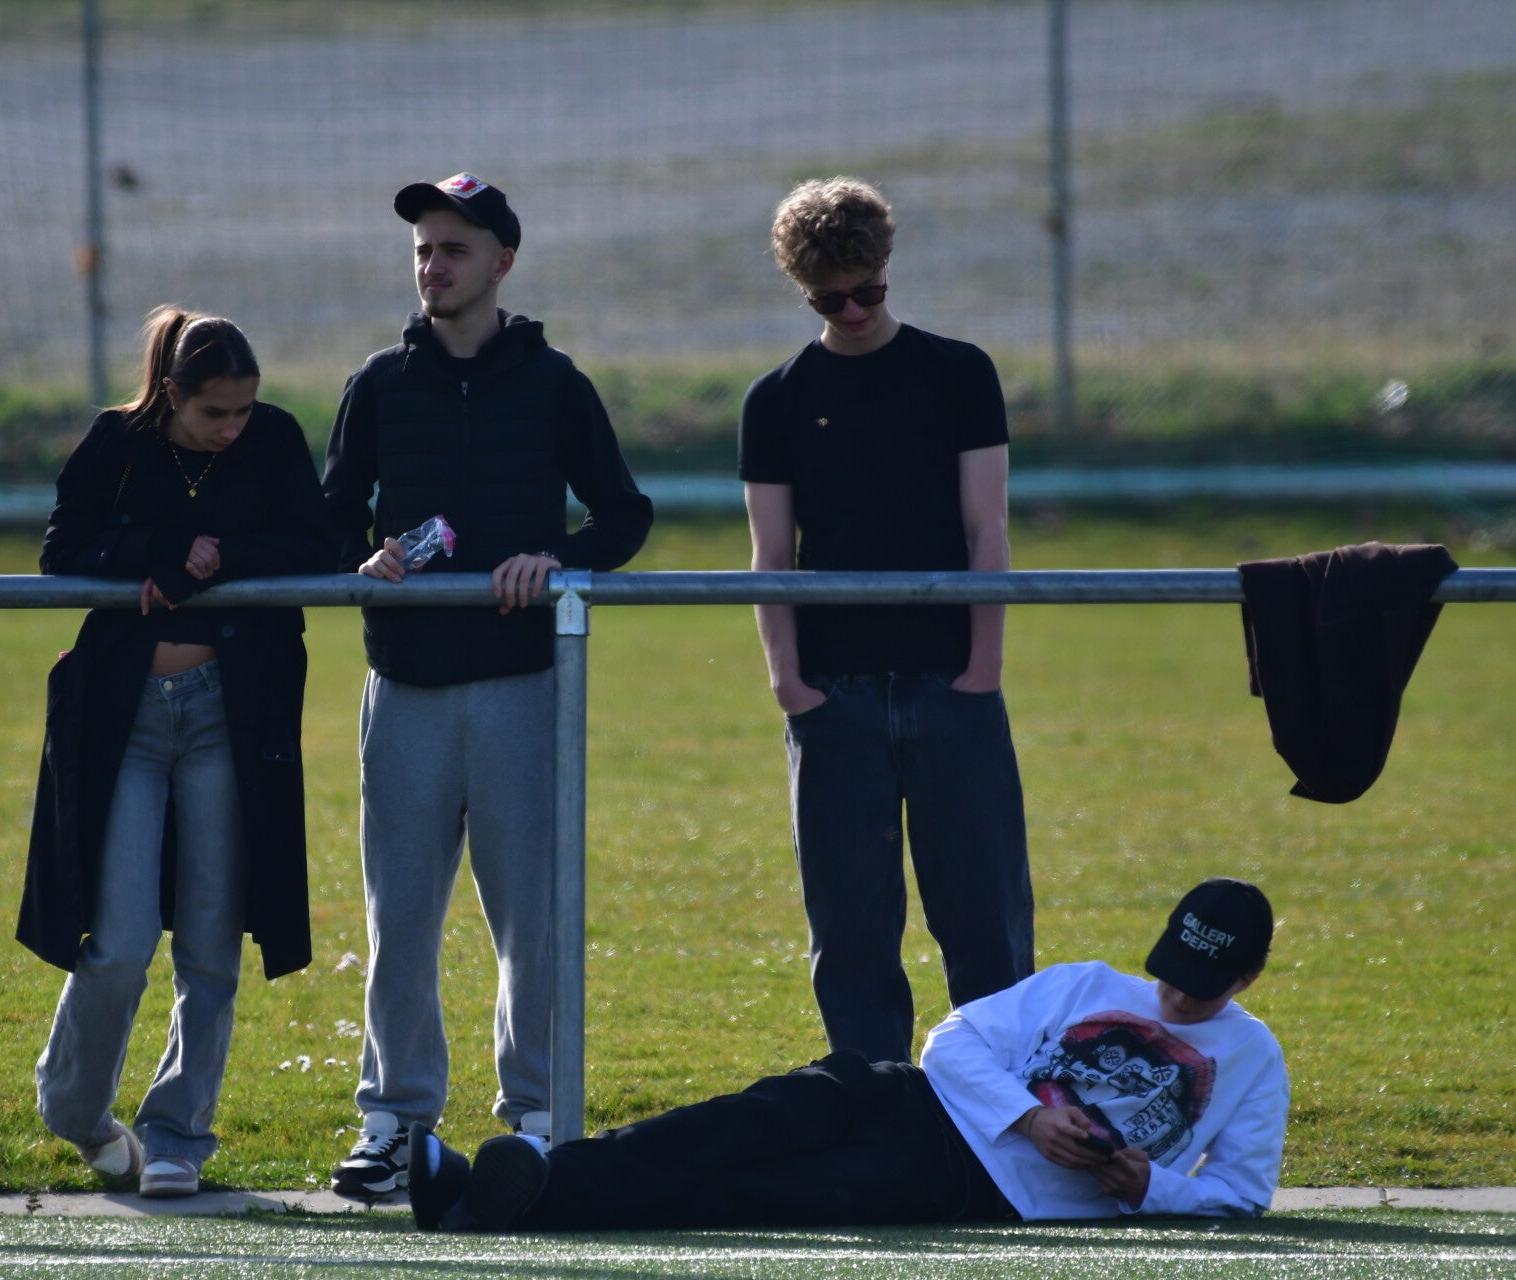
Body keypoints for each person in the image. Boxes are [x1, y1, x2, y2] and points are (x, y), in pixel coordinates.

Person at [320, 173, 654, 1197]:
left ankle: (539, 1123)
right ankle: (392, 1122)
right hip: (406, 688)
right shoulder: (379, 382)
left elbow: (624, 515)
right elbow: (328, 517)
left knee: (531, 923)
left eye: (454, 248)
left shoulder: (554, 384)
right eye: (423, 249)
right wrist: (364, 558)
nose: (434, 266)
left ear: (502, 261)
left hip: (520, 687)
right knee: (399, 924)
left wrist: (558, 560)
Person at [408, 878, 1287, 1232]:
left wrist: (1148, 1186)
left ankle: (495, 1198)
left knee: (750, 1195)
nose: (1176, 998)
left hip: (978, 1187)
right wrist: (1029, 1116)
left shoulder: (1255, 1062)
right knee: (728, 1127)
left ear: (1247, 979)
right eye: (1171, 973)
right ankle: (530, 1180)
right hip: (911, 1096)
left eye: (1201, 989)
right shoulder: (1086, 982)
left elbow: (1241, 1195)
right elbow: (953, 1041)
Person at [16, 307, 333, 1198]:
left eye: (244, 410)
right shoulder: (116, 441)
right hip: (127, 721)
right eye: (213, 413)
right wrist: (156, 550)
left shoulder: (273, 440)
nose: (233, 429)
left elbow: (317, 544)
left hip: (228, 716)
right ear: (170, 395)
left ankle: (177, 1135)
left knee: (209, 946)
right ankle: (76, 1110)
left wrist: (214, 560)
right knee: (116, 944)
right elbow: (62, 550)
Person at [739, 176, 1034, 1065]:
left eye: (868, 290)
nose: (855, 311)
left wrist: (983, 668)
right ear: (803, 291)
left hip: (953, 686)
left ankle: (997, 1108)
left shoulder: (959, 373)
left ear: (887, 267)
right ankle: (873, 1102)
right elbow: (770, 554)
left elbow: (988, 528)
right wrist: (789, 684)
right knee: (851, 929)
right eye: (830, 300)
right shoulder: (776, 399)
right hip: (836, 694)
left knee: (985, 920)